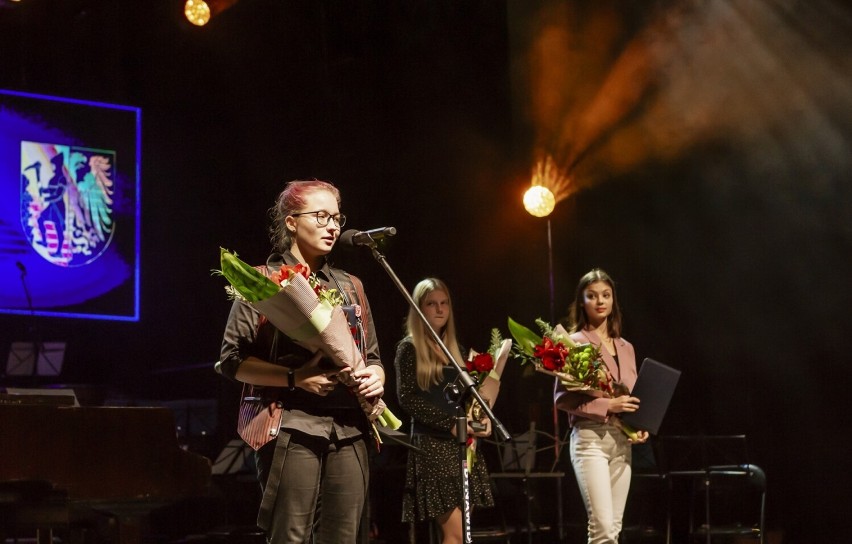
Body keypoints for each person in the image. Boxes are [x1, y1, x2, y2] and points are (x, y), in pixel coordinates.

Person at [218, 179, 385, 544]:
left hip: (350, 426)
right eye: (321, 216)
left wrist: (375, 375)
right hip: (292, 424)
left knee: (344, 536)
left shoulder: (351, 285)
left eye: (337, 218)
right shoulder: (262, 282)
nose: (333, 226)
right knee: (290, 536)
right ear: (291, 221)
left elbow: (371, 354)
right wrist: (296, 377)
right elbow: (232, 361)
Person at [394, 278, 494, 544]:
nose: (439, 309)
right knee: (455, 533)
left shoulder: (457, 351)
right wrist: (448, 422)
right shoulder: (409, 348)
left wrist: (482, 417)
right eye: (431, 304)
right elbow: (407, 399)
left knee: (465, 533)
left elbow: (468, 399)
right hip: (433, 445)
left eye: (444, 303)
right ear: (419, 309)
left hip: (463, 445)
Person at [554, 268, 649, 544]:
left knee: (614, 529)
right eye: (592, 296)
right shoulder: (573, 343)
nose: (600, 301)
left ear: (613, 300)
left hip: (622, 442)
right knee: (603, 528)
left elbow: (630, 397)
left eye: (606, 295)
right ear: (581, 301)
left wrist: (639, 426)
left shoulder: (626, 347)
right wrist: (609, 404)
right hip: (590, 440)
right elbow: (563, 399)